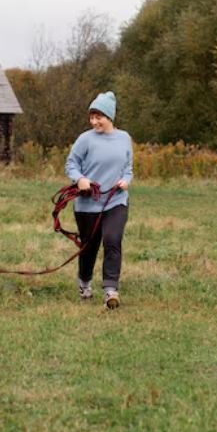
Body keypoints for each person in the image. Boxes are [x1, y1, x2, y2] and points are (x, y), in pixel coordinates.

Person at [64, 91, 134, 309]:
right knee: (89, 247)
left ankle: (110, 290)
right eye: (92, 117)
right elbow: (71, 165)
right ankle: (84, 282)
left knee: (112, 240)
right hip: (87, 204)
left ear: (109, 116)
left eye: (99, 117)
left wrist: (125, 180)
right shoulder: (85, 139)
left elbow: (128, 168)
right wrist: (81, 179)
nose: (95, 121)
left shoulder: (124, 138)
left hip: (116, 201)